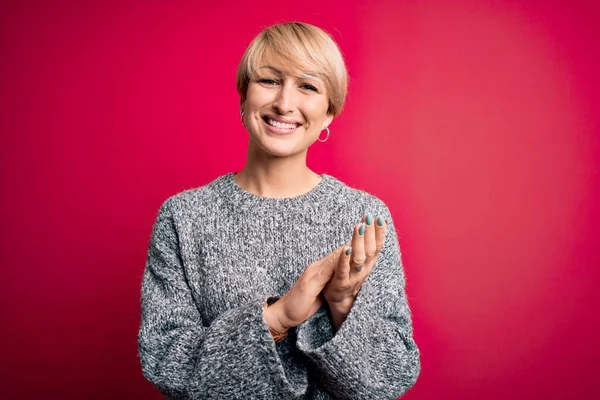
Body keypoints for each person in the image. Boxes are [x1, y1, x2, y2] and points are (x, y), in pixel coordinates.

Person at [137, 21, 420, 399]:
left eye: (308, 86)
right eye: (269, 80)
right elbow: (165, 364)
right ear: (244, 96)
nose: (284, 103)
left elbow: (389, 378)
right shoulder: (183, 217)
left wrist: (342, 305)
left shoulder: (363, 216)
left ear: (329, 113)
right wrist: (277, 317)